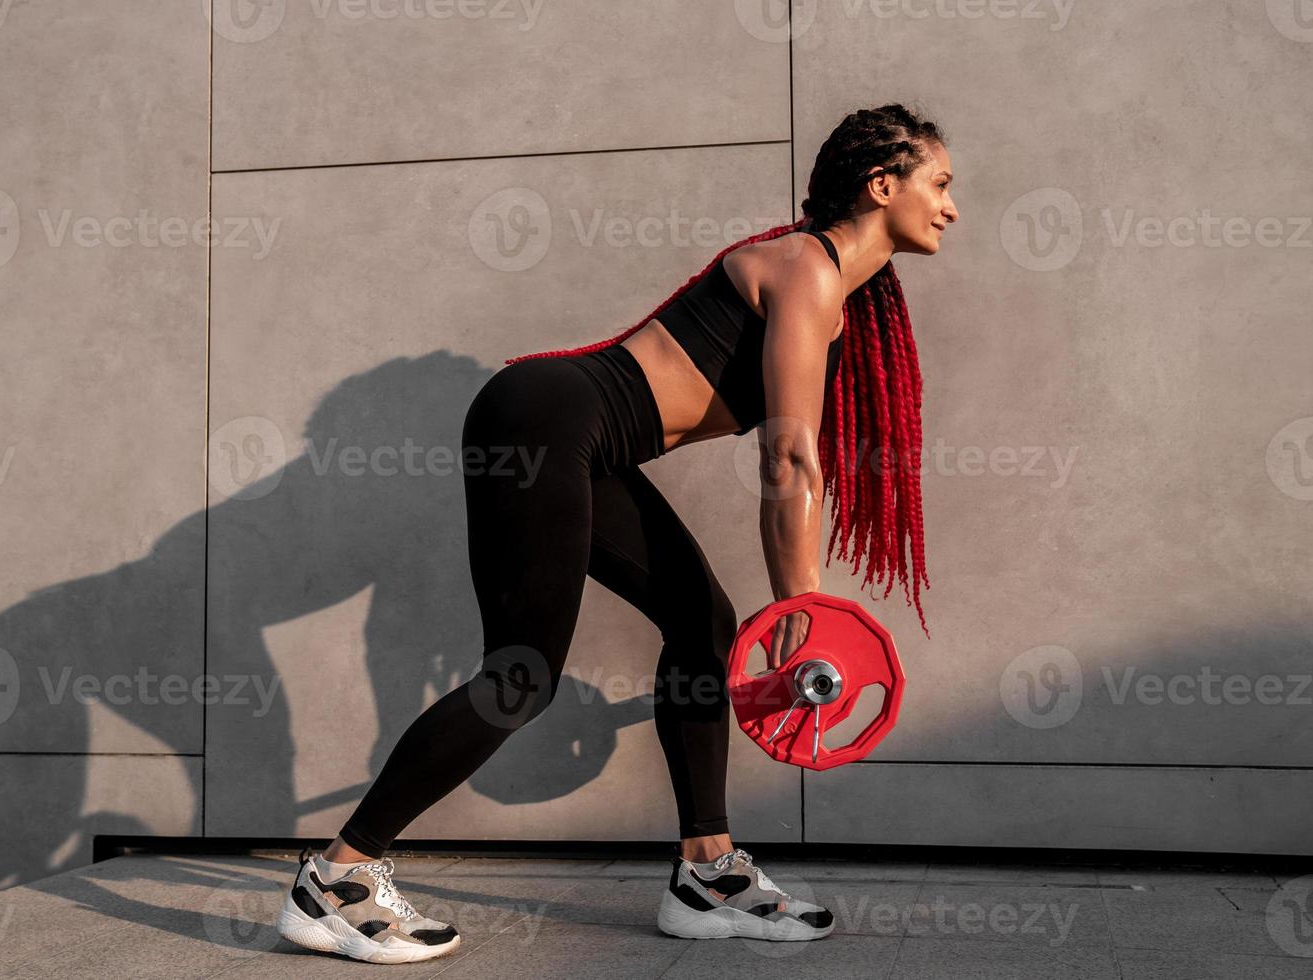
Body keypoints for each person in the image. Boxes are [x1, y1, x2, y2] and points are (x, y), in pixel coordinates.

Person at [276, 104, 957, 963]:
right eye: (939, 183)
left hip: (577, 440)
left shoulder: (822, 286)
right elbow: (787, 458)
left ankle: (705, 874)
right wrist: (804, 605)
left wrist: (797, 606)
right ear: (881, 184)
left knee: (703, 624)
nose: (950, 206)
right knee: (522, 675)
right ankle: (334, 879)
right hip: (545, 421)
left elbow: (789, 455)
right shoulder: (808, 270)